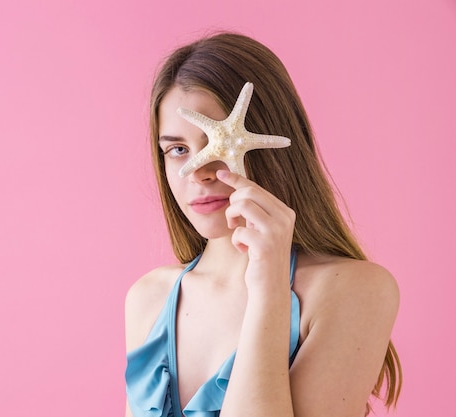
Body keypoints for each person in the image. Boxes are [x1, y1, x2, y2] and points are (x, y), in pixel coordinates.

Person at [124, 32, 402, 417]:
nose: (198, 172)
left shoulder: (354, 291)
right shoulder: (148, 299)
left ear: (274, 144)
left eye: (217, 145)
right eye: (178, 150)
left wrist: (269, 287)